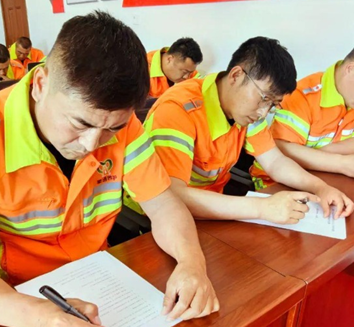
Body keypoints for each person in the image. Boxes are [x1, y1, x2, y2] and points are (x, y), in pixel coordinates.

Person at [0, 12, 219, 327]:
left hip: (102, 283)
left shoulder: (122, 125)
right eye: (80, 123)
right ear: (41, 84)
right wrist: (35, 316)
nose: (91, 145)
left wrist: (192, 263)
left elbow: (163, 204)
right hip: (14, 298)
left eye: (111, 129)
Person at [144, 37, 352, 222]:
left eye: (272, 104)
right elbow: (172, 194)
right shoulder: (179, 109)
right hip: (164, 216)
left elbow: (275, 161)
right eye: (264, 99)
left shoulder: (245, 110)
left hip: (216, 206)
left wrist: (321, 188)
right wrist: (262, 208)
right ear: (235, 75)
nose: (263, 113)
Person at [251, 48, 354, 189]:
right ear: (351, 69)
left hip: (324, 178)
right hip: (275, 184)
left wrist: (319, 157)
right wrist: (342, 163)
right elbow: (280, 148)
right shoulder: (302, 95)